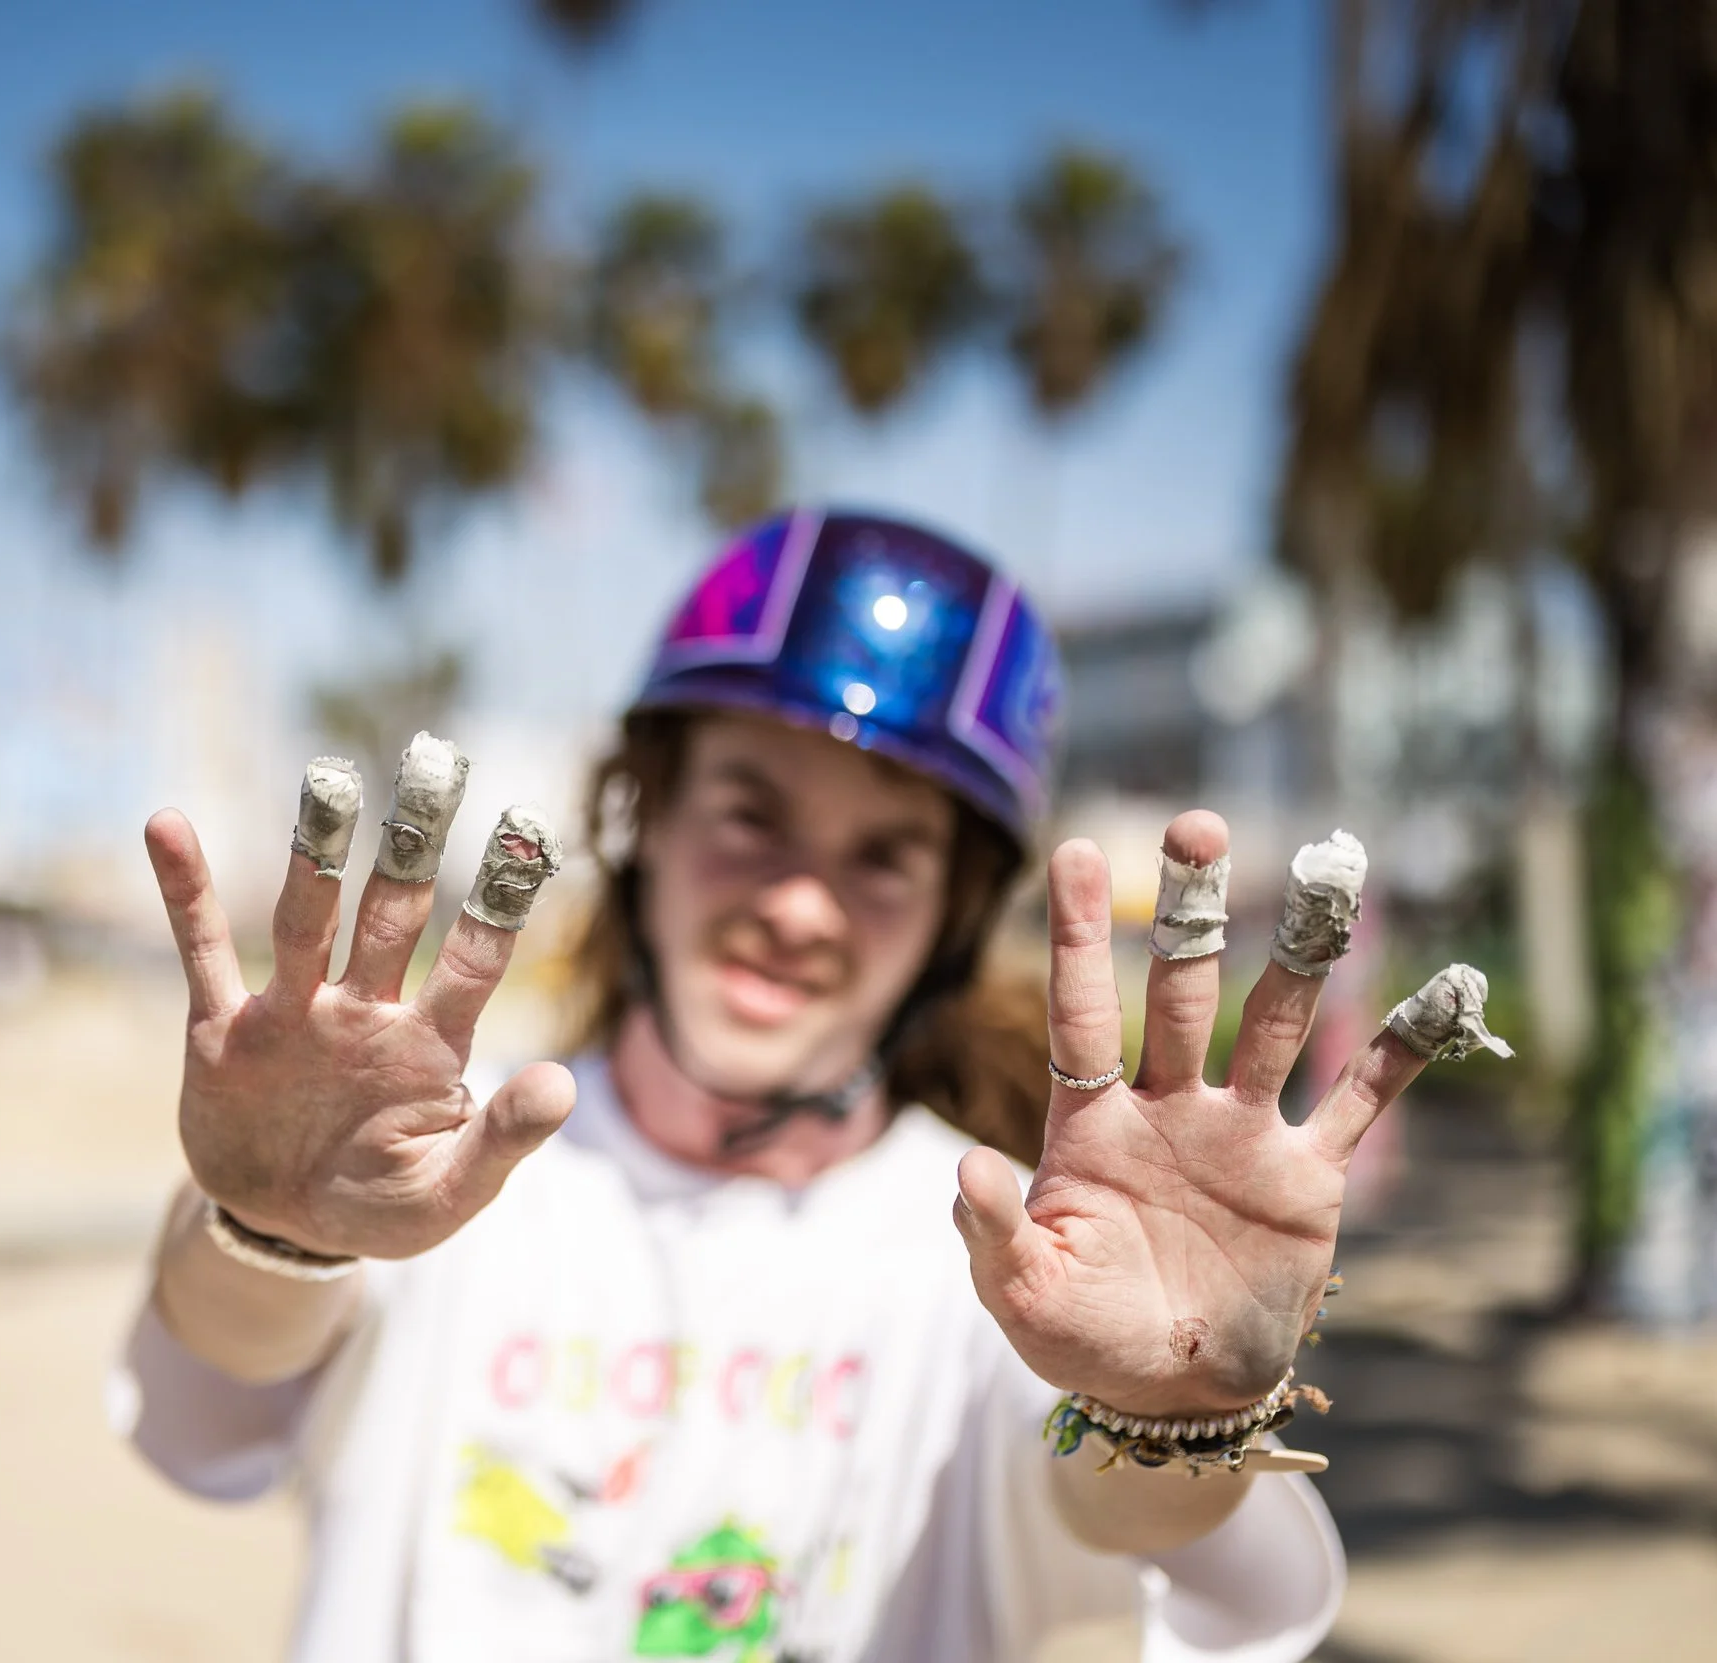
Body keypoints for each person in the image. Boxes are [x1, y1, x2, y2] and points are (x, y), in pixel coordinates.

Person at [115, 508, 1475, 1662]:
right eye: (750, 816)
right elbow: (214, 1394)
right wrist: (275, 1227)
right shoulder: (432, 1169)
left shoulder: (1013, 1242)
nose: (801, 906)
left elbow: (1127, 1522)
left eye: (883, 856)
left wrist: (1174, 1408)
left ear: (952, 916)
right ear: (643, 817)